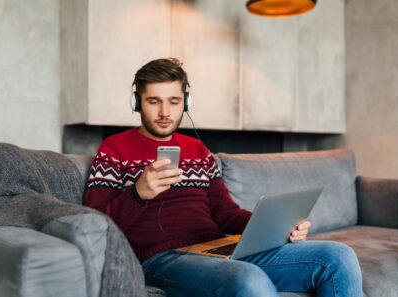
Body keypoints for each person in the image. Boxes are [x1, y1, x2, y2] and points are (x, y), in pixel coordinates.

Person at [83, 58, 363, 297]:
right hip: (162, 260)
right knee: (248, 280)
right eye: (154, 101)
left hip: (219, 250)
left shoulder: (198, 150)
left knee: (337, 257)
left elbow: (224, 213)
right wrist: (137, 194)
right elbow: (94, 226)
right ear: (136, 103)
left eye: (174, 101)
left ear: (186, 103)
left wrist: (277, 227)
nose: (165, 112)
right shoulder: (113, 150)